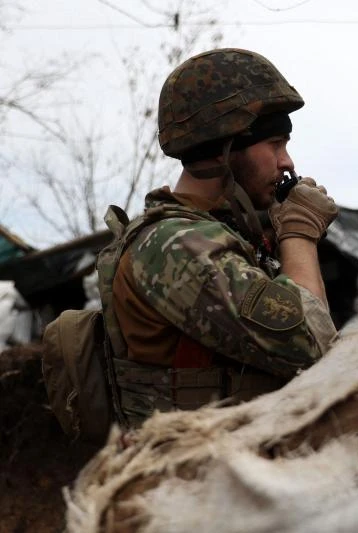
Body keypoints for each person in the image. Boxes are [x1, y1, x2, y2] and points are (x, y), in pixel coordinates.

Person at [95, 48, 339, 427]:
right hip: (189, 474)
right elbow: (312, 343)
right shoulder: (174, 245)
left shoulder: (221, 235)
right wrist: (300, 230)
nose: (286, 161)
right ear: (225, 146)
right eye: (275, 144)